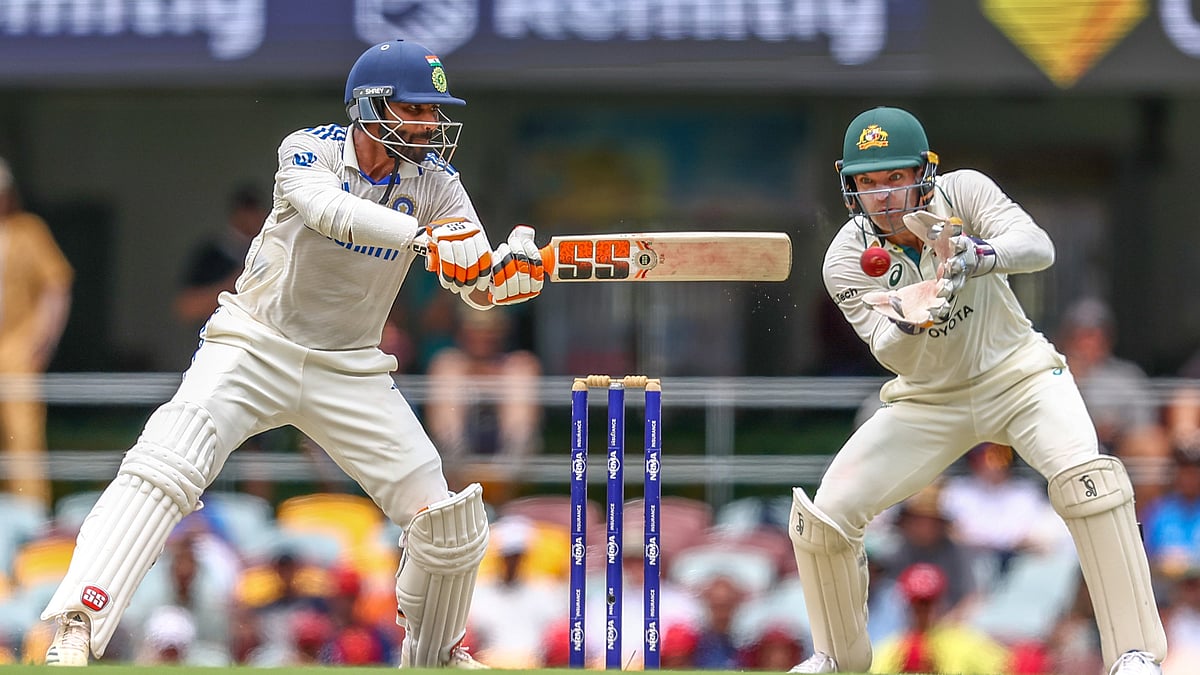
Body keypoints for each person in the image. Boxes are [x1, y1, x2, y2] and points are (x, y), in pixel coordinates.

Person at [39, 38, 546, 668]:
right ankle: (77, 627)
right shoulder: (308, 151)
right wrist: (427, 239)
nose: (430, 124)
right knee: (165, 463)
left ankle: (436, 656)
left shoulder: (438, 184)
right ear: (371, 107)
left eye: (433, 111)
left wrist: (506, 272)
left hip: (350, 367)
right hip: (254, 345)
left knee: (443, 519)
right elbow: (329, 211)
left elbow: (471, 276)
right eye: (415, 110)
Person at [786, 106, 1166, 674]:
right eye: (869, 183)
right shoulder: (846, 258)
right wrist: (911, 319)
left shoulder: (962, 194)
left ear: (924, 172)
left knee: (1090, 481)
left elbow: (1038, 246)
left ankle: (1135, 653)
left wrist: (978, 255)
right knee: (826, 516)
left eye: (896, 177)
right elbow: (889, 353)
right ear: (851, 188)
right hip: (927, 398)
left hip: (1019, 376)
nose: (885, 196)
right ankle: (836, 659)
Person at [0, 157, 73, 508]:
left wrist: (44, 337)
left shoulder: (28, 230)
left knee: (23, 435)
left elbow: (57, 284)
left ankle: (28, 510)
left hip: (16, 347)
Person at [868, 563, 1011, 674]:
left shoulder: (966, 643)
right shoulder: (891, 647)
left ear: (940, 602)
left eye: (928, 602)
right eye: (917, 603)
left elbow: (1006, 668)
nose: (923, 611)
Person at [172, 184, 267, 328]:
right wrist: (236, 282)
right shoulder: (212, 255)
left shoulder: (269, 252)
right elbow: (186, 308)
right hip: (218, 338)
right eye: (249, 212)